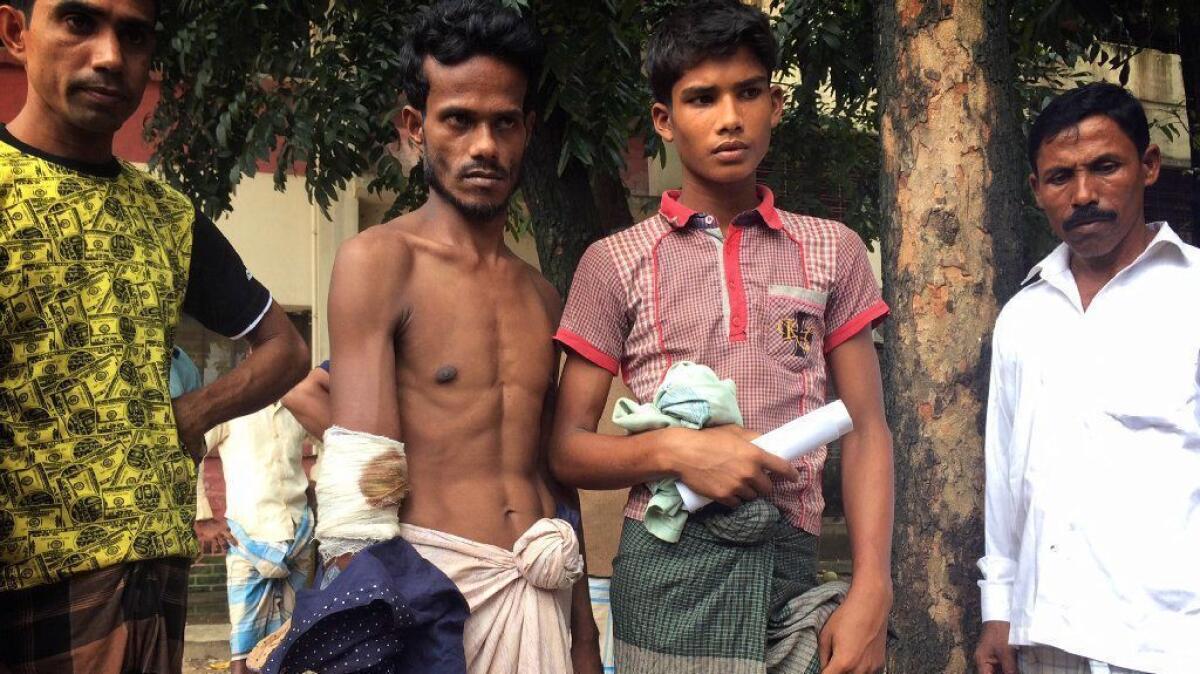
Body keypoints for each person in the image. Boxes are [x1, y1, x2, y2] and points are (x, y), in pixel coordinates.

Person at [549, 2, 893, 673]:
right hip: (667, 571)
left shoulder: (833, 251)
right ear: (664, 120)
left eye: (748, 92)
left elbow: (867, 428)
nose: (730, 117)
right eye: (701, 99)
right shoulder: (614, 261)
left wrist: (871, 588)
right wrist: (679, 451)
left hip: (794, 568)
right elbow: (564, 449)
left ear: (777, 103)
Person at [0, 0, 310, 671]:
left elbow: (286, 349)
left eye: (133, 35)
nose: (110, 55)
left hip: (148, 585)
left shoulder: (168, 219)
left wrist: (190, 413)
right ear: (15, 34)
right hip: (28, 590)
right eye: (80, 22)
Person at [318, 1, 600, 671]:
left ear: (528, 130)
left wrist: (585, 634)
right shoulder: (381, 262)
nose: (485, 146)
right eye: (459, 120)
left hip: (537, 596)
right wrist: (368, 641)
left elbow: (554, 480)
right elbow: (363, 486)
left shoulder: (542, 296)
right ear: (416, 127)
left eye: (505, 123)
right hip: (426, 604)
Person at [974, 82, 1200, 674]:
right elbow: (1005, 474)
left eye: (1105, 168)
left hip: (1170, 642)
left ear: (1148, 166)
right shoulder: (1023, 316)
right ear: (1036, 190)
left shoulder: (1194, 293)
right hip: (1047, 635)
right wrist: (998, 610)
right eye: (1059, 177)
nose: (1084, 195)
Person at [195, 399, 315, 674]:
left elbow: (330, 440)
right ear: (250, 352)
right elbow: (192, 450)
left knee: (291, 641)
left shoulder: (298, 404)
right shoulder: (231, 406)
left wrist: (316, 486)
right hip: (247, 538)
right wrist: (203, 517)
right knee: (243, 647)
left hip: (298, 536)